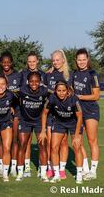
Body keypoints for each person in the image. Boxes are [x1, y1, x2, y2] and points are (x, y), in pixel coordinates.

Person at [40, 81, 84, 184]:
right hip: (59, 123)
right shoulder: (51, 98)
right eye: (59, 91)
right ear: (55, 91)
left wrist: (77, 135)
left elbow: (80, 117)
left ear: (67, 90)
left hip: (74, 124)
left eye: (63, 90)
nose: (61, 93)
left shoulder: (74, 99)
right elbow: (44, 113)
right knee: (54, 147)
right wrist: (43, 130)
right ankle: (56, 175)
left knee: (77, 147)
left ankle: (79, 174)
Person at [15, 71, 52, 182]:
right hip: (25, 121)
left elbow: (58, 92)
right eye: (31, 81)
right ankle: (20, 173)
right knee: (22, 145)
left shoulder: (45, 91)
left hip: (39, 122)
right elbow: (8, 90)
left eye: (36, 81)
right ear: (28, 82)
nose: (34, 83)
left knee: (42, 146)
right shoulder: (22, 90)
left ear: (40, 82)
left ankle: (44, 173)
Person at [72, 48, 100, 180]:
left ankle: (93, 171)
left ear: (87, 60)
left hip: (91, 110)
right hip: (78, 111)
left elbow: (96, 95)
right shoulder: (74, 74)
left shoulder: (92, 73)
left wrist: (81, 97)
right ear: (76, 61)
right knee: (78, 140)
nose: (81, 62)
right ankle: (86, 168)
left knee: (92, 140)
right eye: (79, 60)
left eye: (84, 59)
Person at [44, 50, 72, 179]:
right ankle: (50, 167)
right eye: (53, 60)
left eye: (57, 59)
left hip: (64, 114)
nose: (55, 62)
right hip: (51, 113)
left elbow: (71, 94)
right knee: (50, 142)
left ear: (63, 60)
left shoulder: (68, 75)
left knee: (64, 142)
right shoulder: (48, 74)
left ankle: (61, 170)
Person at [19, 51, 46, 178]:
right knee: (26, 142)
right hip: (25, 115)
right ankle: (27, 168)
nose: (31, 64)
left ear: (37, 61)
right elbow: (16, 91)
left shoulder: (44, 75)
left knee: (42, 143)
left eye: (33, 61)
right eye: (29, 61)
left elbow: (49, 92)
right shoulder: (22, 74)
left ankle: (42, 168)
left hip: (39, 117)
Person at [0, 51, 22, 178]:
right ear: (1, 63)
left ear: (11, 62)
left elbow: (20, 93)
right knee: (1, 141)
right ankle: (2, 166)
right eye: (4, 62)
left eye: (8, 62)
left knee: (15, 140)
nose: (6, 64)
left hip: (16, 111)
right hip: (2, 112)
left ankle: (13, 167)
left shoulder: (18, 76)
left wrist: (12, 106)